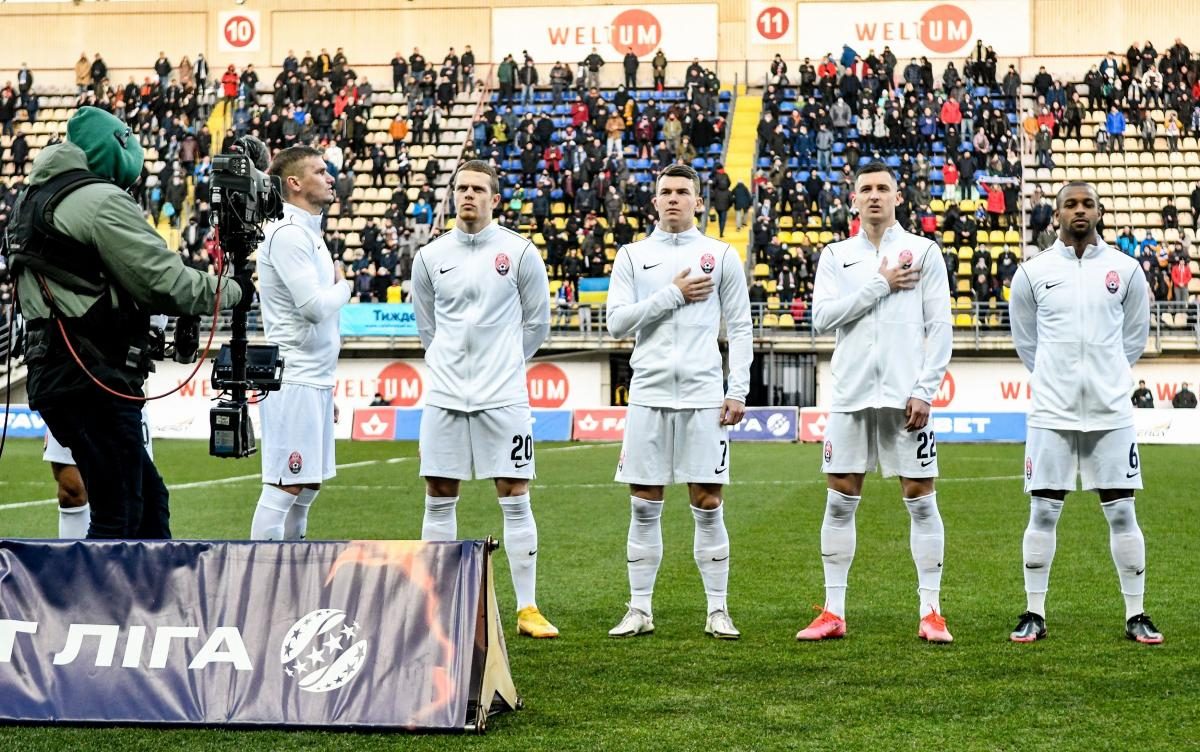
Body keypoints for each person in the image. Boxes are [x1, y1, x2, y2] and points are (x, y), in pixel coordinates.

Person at [9, 107, 247, 539]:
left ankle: (147, 584)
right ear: (115, 148)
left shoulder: (35, 196)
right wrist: (232, 290)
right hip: (91, 374)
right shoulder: (98, 199)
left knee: (148, 504)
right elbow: (164, 281)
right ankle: (104, 587)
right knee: (120, 514)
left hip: (60, 371)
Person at [796, 161, 953, 644]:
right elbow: (822, 318)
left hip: (907, 397)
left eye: (883, 188)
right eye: (866, 188)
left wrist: (925, 389)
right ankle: (833, 611)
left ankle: (932, 612)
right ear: (854, 199)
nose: (874, 195)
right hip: (851, 393)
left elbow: (940, 326)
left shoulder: (924, 251)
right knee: (840, 499)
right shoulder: (836, 255)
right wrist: (879, 285)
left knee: (921, 499)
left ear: (898, 197)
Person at [1008, 181, 1161, 645]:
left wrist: (1106, 377)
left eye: (1087, 204)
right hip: (1051, 413)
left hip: (1110, 413)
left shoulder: (1126, 270)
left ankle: (1136, 613)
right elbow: (1027, 343)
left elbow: (1133, 339)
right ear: (1056, 214)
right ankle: (1034, 612)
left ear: (1099, 212)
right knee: (1042, 512)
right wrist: (1056, 378)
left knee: (1122, 513)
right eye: (1070, 204)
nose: (1079, 210)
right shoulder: (1032, 272)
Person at [605, 163, 753, 640]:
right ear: (654, 201)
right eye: (665, 191)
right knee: (643, 504)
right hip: (648, 393)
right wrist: (672, 294)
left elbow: (741, 327)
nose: (673, 198)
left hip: (704, 395)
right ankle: (640, 609)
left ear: (698, 202)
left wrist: (737, 388)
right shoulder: (632, 255)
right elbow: (616, 323)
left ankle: (718, 609)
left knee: (708, 502)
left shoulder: (721, 255)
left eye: (682, 192)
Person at [411, 160, 558, 639]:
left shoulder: (519, 252)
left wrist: (504, 364)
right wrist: (450, 365)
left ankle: (528, 608)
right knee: (438, 494)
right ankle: (437, 604)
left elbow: (538, 323)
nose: (468, 195)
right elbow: (427, 328)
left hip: (504, 396)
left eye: (477, 188)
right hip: (446, 395)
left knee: (515, 494)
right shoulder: (430, 257)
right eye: (461, 188)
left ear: (495, 198)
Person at [249, 145, 351, 541]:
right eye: (320, 171)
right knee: (285, 486)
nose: (330, 177)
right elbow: (312, 308)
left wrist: (326, 387)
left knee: (306, 486)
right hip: (294, 379)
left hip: (313, 379)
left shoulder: (307, 232)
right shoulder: (288, 233)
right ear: (294, 182)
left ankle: (292, 569)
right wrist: (346, 288)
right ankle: (261, 574)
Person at [45, 403, 154, 538]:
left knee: (131, 490)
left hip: (120, 401)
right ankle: (76, 552)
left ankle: (123, 549)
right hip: (64, 400)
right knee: (71, 493)